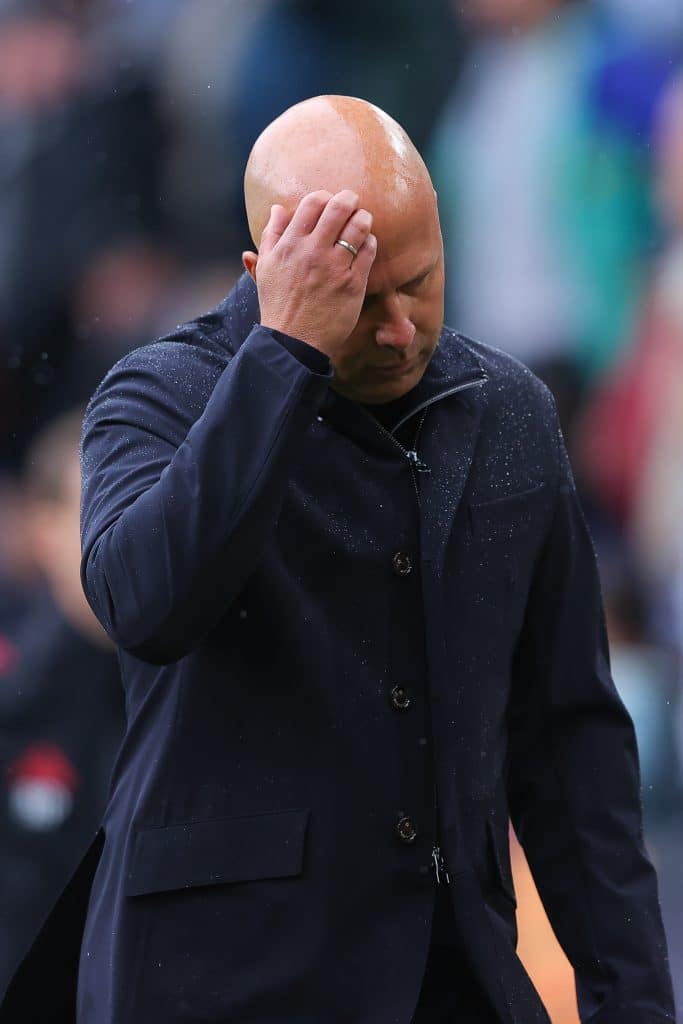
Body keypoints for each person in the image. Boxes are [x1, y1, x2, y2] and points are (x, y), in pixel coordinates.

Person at [1, 95, 675, 1023]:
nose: (399, 326)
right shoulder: (157, 392)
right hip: (215, 980)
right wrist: (284, 357)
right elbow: (145, 606)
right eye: (362, 295)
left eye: (423, 280)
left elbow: (570, 744)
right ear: (268, 267)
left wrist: (632, 1002)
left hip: (451, 974)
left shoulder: (506, 408)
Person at [0, 409, 123, 997]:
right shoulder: (14, 697)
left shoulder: (218, 688)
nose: (126, 532)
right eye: (99, 506)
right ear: (41, 525)